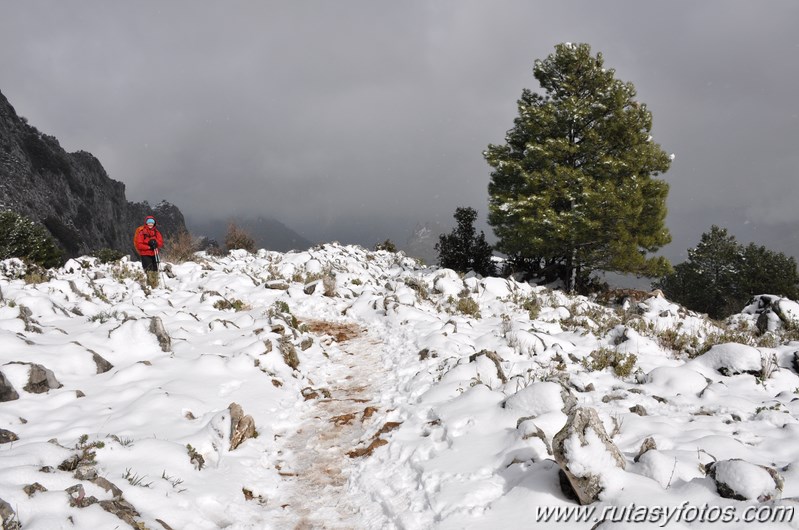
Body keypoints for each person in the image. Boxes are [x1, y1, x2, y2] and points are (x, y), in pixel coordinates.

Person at [134, 215, 164, 287]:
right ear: (146, 223)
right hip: (145, 254)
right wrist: (149, 247)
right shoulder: (142, 232)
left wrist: (156, 243)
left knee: (155, 269)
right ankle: (150, 285)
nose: (150, 224)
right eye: (149, 222)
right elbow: (139, 245)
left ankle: (155, 284)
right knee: (149, 270)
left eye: (152, 222)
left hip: (154, 253)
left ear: (154, 223)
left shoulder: (156, 232)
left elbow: (160, 242)